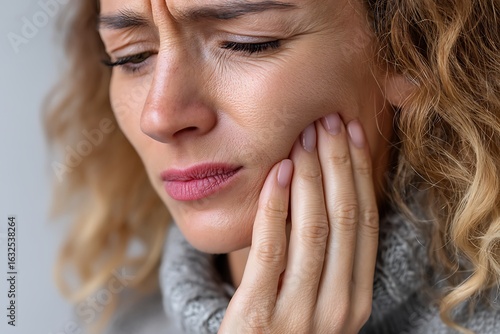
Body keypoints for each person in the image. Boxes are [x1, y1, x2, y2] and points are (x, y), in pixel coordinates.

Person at [44, 0, 500, 333]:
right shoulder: (123, 321)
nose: (159, 117)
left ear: (412, 52)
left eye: (246, 44)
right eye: (132, 57)